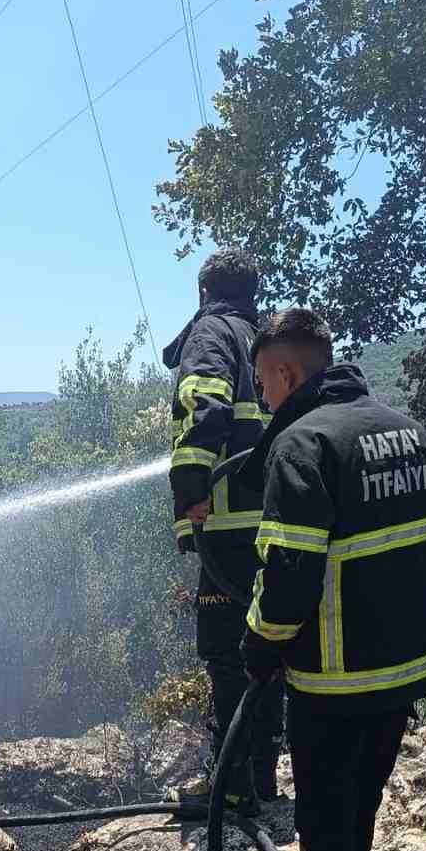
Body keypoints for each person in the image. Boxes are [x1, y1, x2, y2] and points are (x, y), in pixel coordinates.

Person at [239, 308, 426, 851]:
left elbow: (290, 572)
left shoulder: (302, 444)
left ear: (287, 372)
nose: (262, 397)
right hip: (401, 670)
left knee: (326, 828)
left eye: (263, 382)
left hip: (334, 679)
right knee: (355, 816)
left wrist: (259, 642)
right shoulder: (404, 430)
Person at [165, 247, 284, 808]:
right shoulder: (263, 344)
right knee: (267, 650)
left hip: (230, 528)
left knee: (227, 656)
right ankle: (262, 778)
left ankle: (233, 786)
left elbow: (206, 407)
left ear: (204, 291)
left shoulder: (210, 335)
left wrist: (190, 490)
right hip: (275, 526)